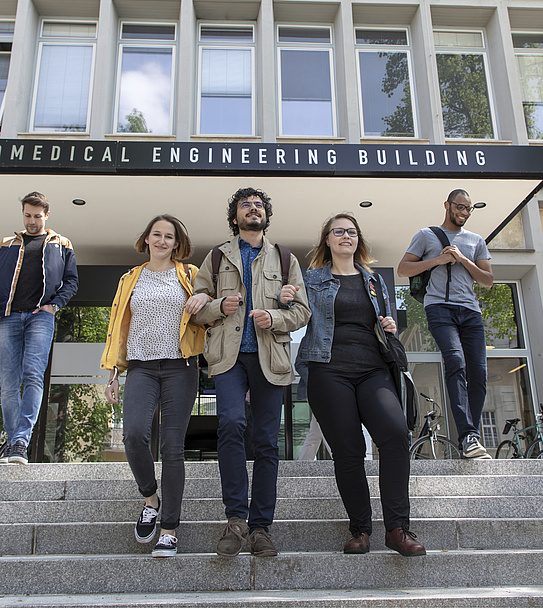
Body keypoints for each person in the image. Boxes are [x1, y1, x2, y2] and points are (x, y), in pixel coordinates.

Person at [298, 213, 426, 557]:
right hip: (328, 370)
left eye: (351, 232)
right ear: (327, 239)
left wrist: (388, 325)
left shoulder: (373, 281)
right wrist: (284, 297)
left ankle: (397, 528)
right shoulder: (311, 280)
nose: (345, 236)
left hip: (372, 369)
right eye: (338, 232)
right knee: (349, 450)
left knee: (395, 434)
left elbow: (386, 322)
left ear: (358, 240)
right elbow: (297, 315)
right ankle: (360, 529)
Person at [192, 187, 310, 558]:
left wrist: (274, 316)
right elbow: (197, 309)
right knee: (229, 424)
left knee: (266, 442)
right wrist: (219, 307)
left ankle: (261, 527)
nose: (253, 210)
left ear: (265, 215)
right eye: (246, 206)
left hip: (269, 359)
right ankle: (235, 520)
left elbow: (302, 313)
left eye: (259, 205)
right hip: (228, 358)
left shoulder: (285, 258)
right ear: (235, 217)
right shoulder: (215, 257)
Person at [100, 214, 209, 557]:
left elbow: (213, 305)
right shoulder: (130, 278)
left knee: (172, 448)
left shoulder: (190, 274)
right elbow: (118, 326)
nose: (162, 240)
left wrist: (203, 299)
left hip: (180, 366)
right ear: (146, 239)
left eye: (169, 236)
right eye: (156, 234)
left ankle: (169, 529)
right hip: (140, 367)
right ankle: (151, 498)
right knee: (133, 434)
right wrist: (114, 372)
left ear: (178, 243)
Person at [397, 189, 494, 459]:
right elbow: (403, 269)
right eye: (459, 207)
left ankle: (470, 436)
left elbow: (487, 280)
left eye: (468, 209)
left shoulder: (475, 241)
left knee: (480, 374)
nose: (463, 212)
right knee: (456, 363)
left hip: (470, 311)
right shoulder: (426, 235)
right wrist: (438, 260)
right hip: (439, 307)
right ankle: (468, 436)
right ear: (447, 205)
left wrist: (463, 259)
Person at [0, 192, 78, 465]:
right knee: (8, 383)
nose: (31, 221)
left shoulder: (61, 243)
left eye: (37, 216)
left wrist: (54, 306)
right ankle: (13, 444)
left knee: (33, 375)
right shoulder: (7, 243)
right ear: (23, 214)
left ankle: (21, 440)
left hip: (40, 317)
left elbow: (71, 281)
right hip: (8, 317)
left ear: (46, 215)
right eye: (27, 215)